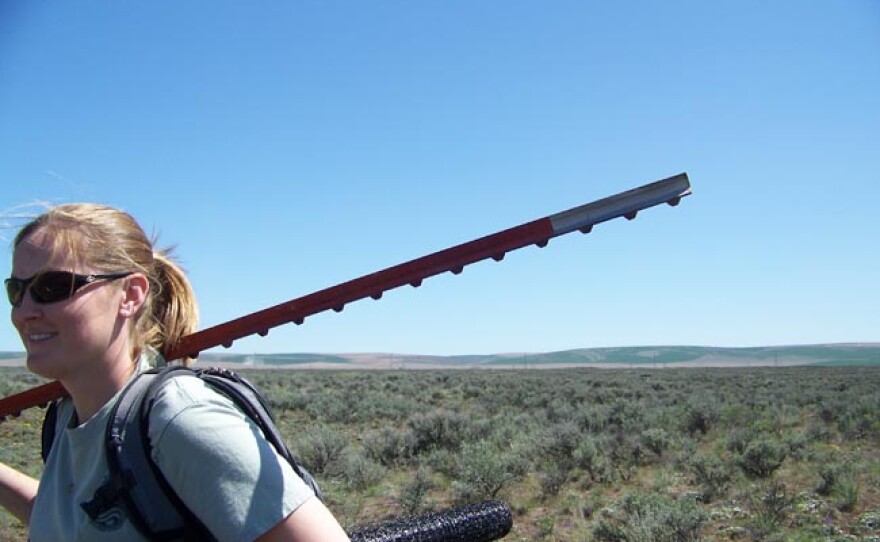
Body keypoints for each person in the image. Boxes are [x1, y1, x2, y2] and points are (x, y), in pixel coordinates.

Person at [0, 203, 350, 542]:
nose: (24, 312)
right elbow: (77, 526)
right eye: (17, 291)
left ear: (130, 295)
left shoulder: (179, 420)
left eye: (53, 287)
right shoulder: (66, 418)